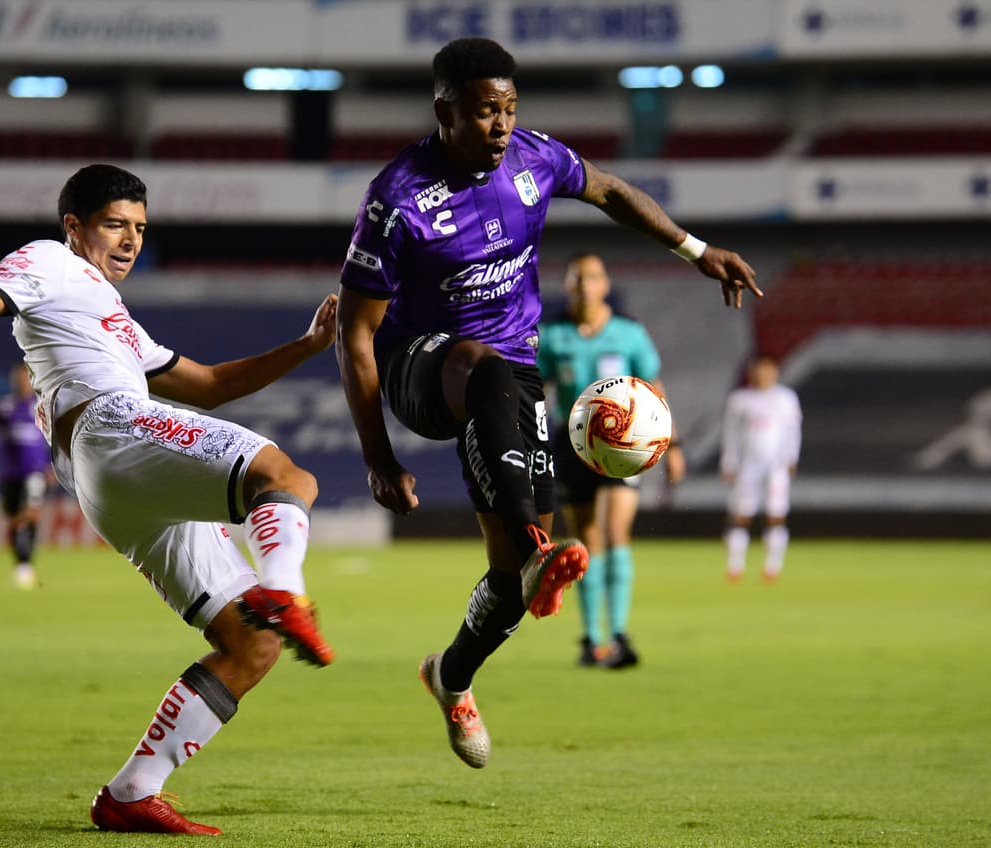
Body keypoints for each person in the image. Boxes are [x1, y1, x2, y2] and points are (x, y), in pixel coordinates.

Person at [0, 164, 338, 836]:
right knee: (286, 475)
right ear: (75, 227)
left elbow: (206, 384)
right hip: (111, 426)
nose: (130, 240)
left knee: (252, 644)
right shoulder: (47, 262)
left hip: (110, 481)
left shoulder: (115, 319)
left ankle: (131, 791)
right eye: (115, 224)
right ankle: (285, 588)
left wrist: (307, 345)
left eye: (141, 229)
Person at [335, 37, 760, 769]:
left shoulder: (534, 158)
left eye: (508, 109)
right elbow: (355, 333)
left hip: (509, 377)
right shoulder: (398, 197)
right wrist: (379, 457)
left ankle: (453, 674)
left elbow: (615, 193)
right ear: (444, 111)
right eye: (482, 112)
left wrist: (696, 250)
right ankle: (538, 551)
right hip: (423, 366)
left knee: (505, 580)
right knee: (482, 370)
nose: (500, 126)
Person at [538, 253, 685, 670]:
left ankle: (619, 632)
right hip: (572, 445)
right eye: (578, 278)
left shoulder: (627, 333)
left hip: (624, 447)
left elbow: (654, 389)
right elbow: (537, 385)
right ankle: (592, 639)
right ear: (568, 286)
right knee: (585, 538)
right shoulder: (553, 336)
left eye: (594, 277)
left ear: (605, 285)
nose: (586, 285)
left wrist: (672, 446)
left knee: (616, 529)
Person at [721, 353, 802, 583]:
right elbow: (731, 434)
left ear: (775, 371)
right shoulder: (740, 400)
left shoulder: (786, 399)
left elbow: (793, 431)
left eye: (767, 369)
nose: (762, 374)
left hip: (776, 466)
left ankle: (772, 565)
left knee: (775, 515)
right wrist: (729, 462)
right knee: (740, 515)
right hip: (747, 466)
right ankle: (735, 565)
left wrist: (791, 458)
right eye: (758, 369)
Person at [0, 363, 55, 590]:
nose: (22, 383)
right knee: (14, 518)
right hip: (10, 474)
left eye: (26, 379)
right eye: (19, 379)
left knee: (31, 512)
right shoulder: (3, 407)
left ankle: (25, 563)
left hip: (35, 473)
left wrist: (54, 465)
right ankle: (21, 560)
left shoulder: (41, 407)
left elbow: (55, 439)